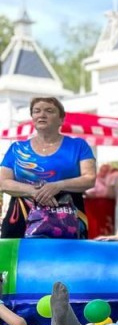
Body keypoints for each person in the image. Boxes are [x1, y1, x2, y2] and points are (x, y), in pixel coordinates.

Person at [0, 96, 97, 239]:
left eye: (49, 111)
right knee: (16, 260)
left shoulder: (78, 146)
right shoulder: (17, 148)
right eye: (36, 111)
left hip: (68, 217)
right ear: (32, 117)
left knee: (66, 260)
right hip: (20, 217)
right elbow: (3, 182)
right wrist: (34, 191)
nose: (42, 115)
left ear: (61, 119)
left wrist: (58, 186)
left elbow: (89, 179)